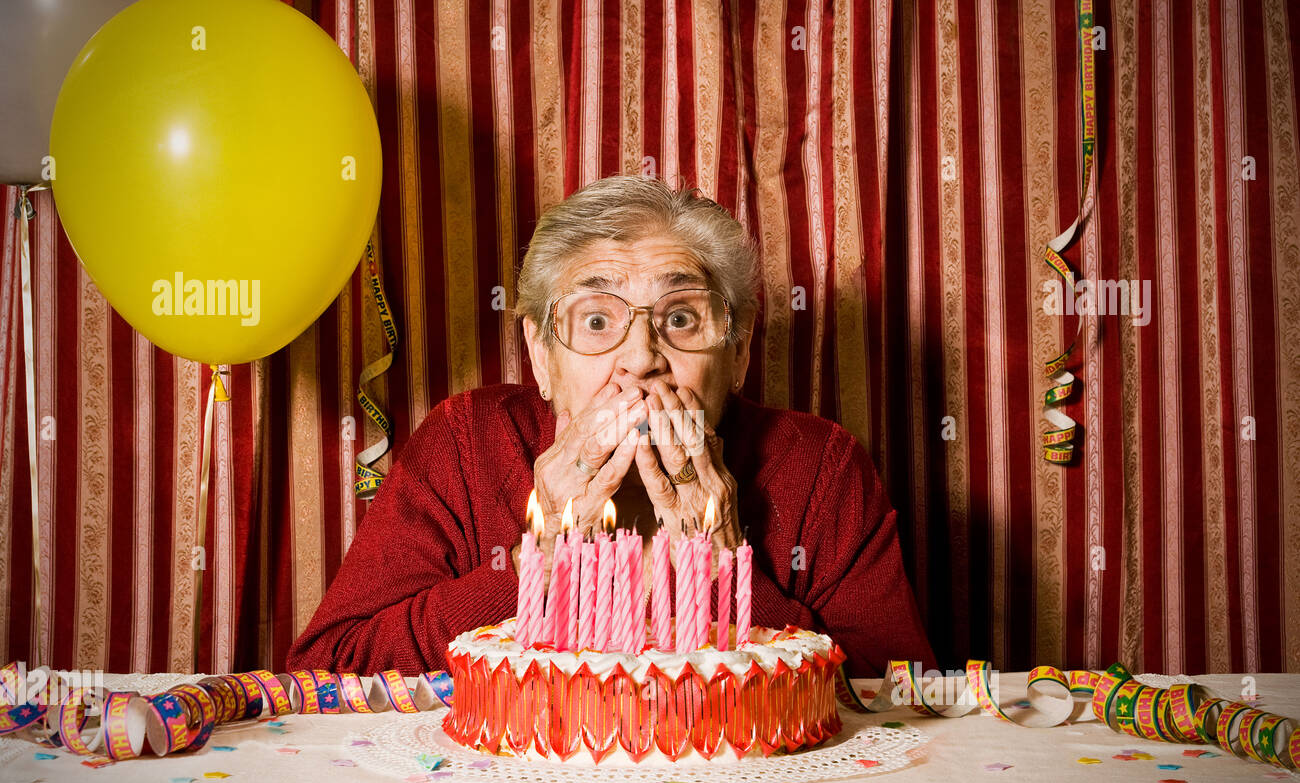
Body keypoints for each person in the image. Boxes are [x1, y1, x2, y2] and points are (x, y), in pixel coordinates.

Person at [287, 175, 937, 677]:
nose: (641, 357)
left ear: (737, 354)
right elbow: (327, 672)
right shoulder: (467, 440)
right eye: (597, 321)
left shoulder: (821, 464)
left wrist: (724, 575)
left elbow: (898, 697)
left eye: (680, 319)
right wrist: (529, 567)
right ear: (541, 354)